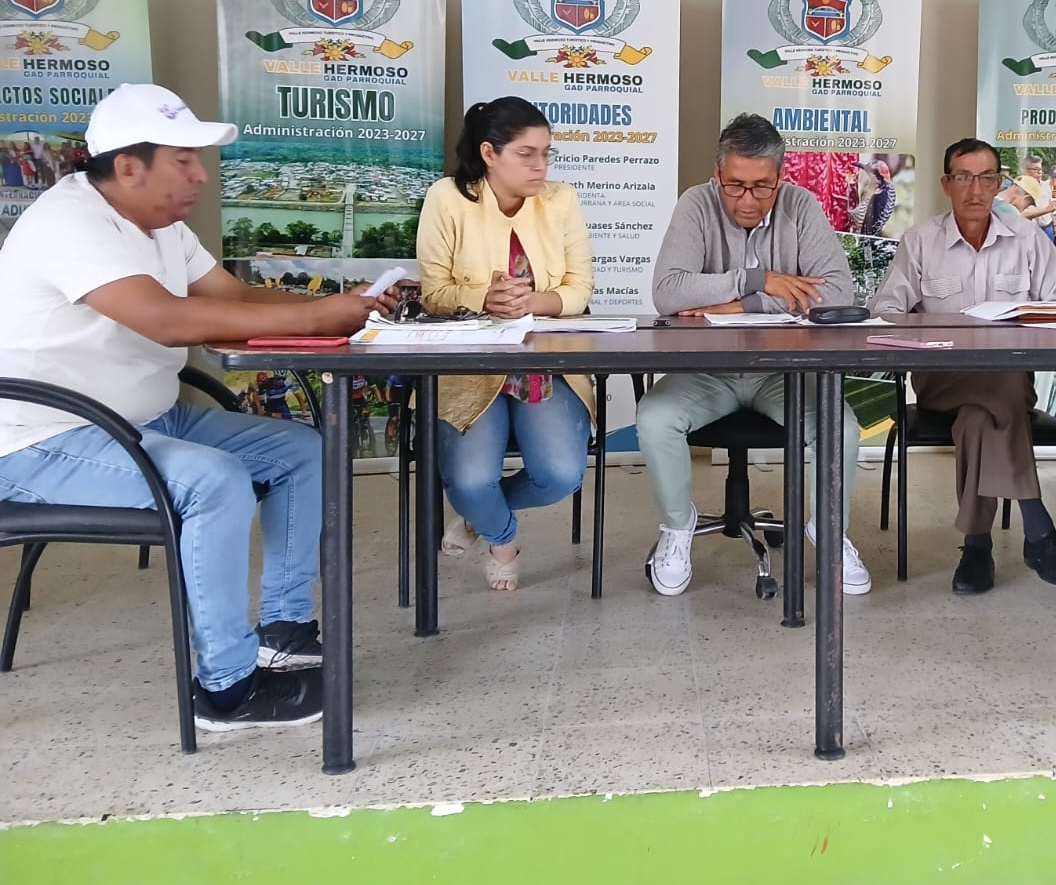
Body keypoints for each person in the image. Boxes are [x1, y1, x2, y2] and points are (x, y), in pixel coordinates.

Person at [0, 82, 388, 731]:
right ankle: (226, 688)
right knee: (213, 481)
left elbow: (231, 298)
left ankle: (284, 630)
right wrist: (317, 317)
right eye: (183, 161)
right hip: (44, 438)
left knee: (303, 451)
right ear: (130, 167)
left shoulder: (162, 227)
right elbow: (167, 319)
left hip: (144, 419)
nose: (201, 175)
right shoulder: (68, 222)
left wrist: (346, 308)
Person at [639, 113, 872, 597]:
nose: (747, 200)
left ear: (780, 177)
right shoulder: (696, 203)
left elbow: (837, 294)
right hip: (709, 372)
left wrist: (736, 304)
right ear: (717, 174)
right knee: (655, 417)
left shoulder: (801, 206)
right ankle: (678, 528)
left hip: (784, 373)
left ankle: (829, 530)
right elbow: (668, 293)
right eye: (735, 185)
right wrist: (760, 280)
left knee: (843, 427)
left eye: (761, 187)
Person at [869, 137, 1056, 594]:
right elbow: (886, 312)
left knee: (978, 418)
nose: (976, 189)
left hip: (1010, 378)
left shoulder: (1027, 240)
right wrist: (928, 328)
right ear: (946, 183)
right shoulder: (920, 241)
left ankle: (977, 547)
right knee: (999, 389)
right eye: (964, 177)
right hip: (941, 378)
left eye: (987, 178)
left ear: (998, 183)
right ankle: (1039, 531)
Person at [415, 97, 596, 592]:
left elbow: (580, 290)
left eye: (546, 153)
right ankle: (502, 538)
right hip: (469, 364)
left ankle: (479, 516)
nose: (541, 166)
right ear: (489, 153)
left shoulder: (560, 200)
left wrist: (534, 301)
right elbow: (434, 293)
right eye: (526, 154)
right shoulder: (447, 198)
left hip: (545, 361)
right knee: (471, 481)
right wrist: (483, 299)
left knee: (560, 474)